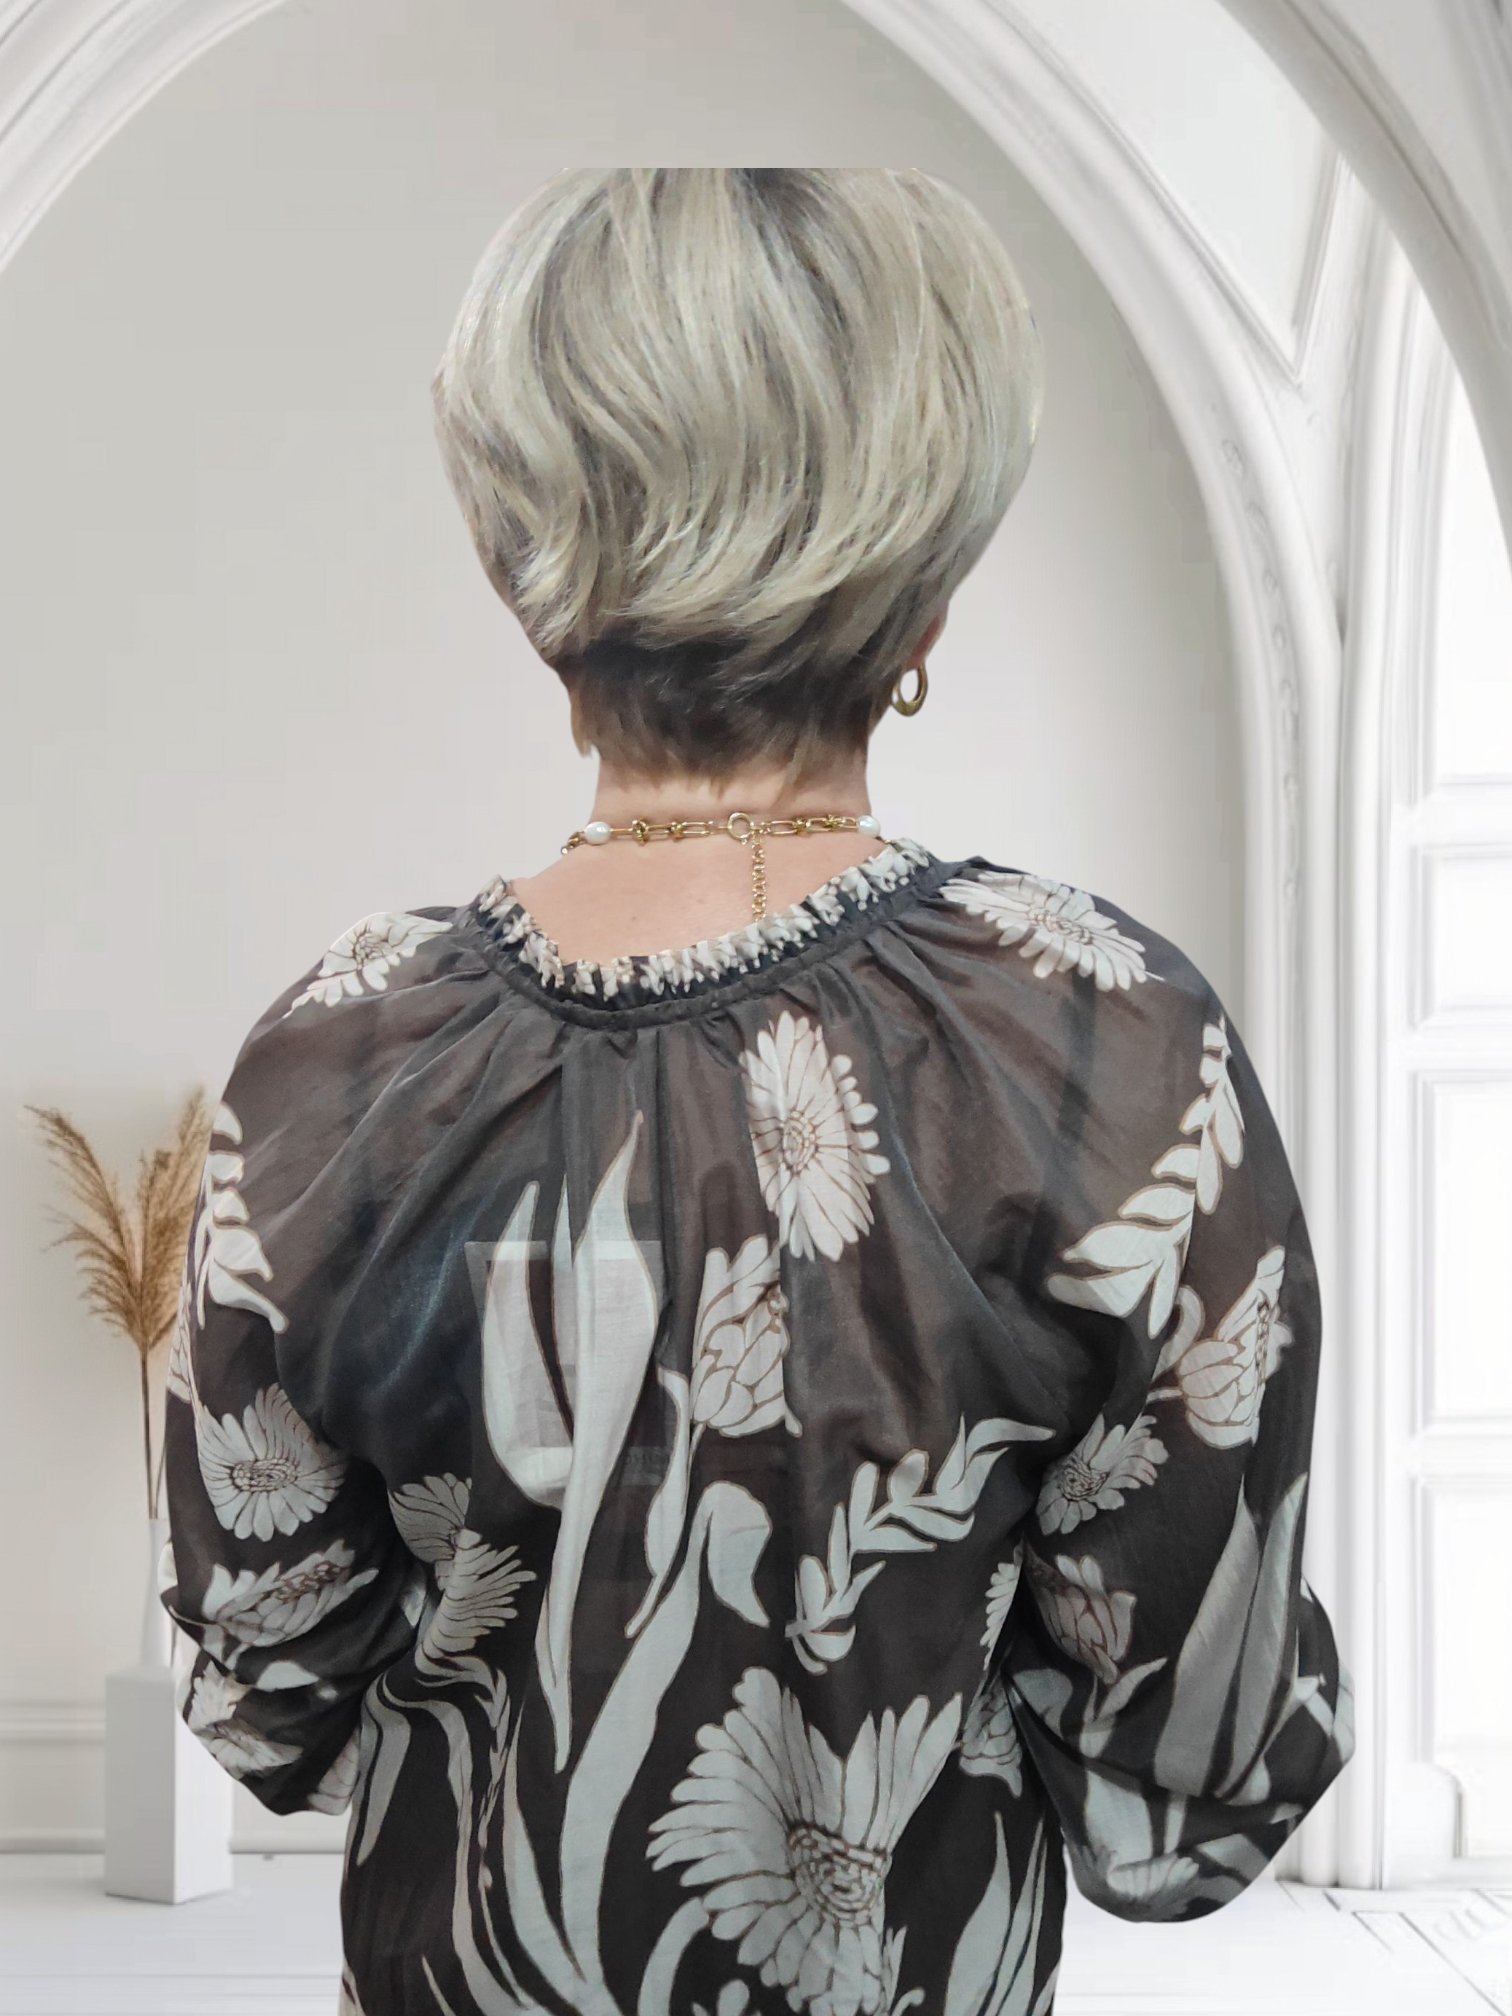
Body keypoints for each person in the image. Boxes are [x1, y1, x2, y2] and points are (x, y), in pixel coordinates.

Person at [157, 167, 1354, 2016]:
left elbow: (273, 1697)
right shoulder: (1107, 1048)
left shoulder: (332, 1062)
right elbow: (1185, 1782)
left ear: (528, 572)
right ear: (923, 596)